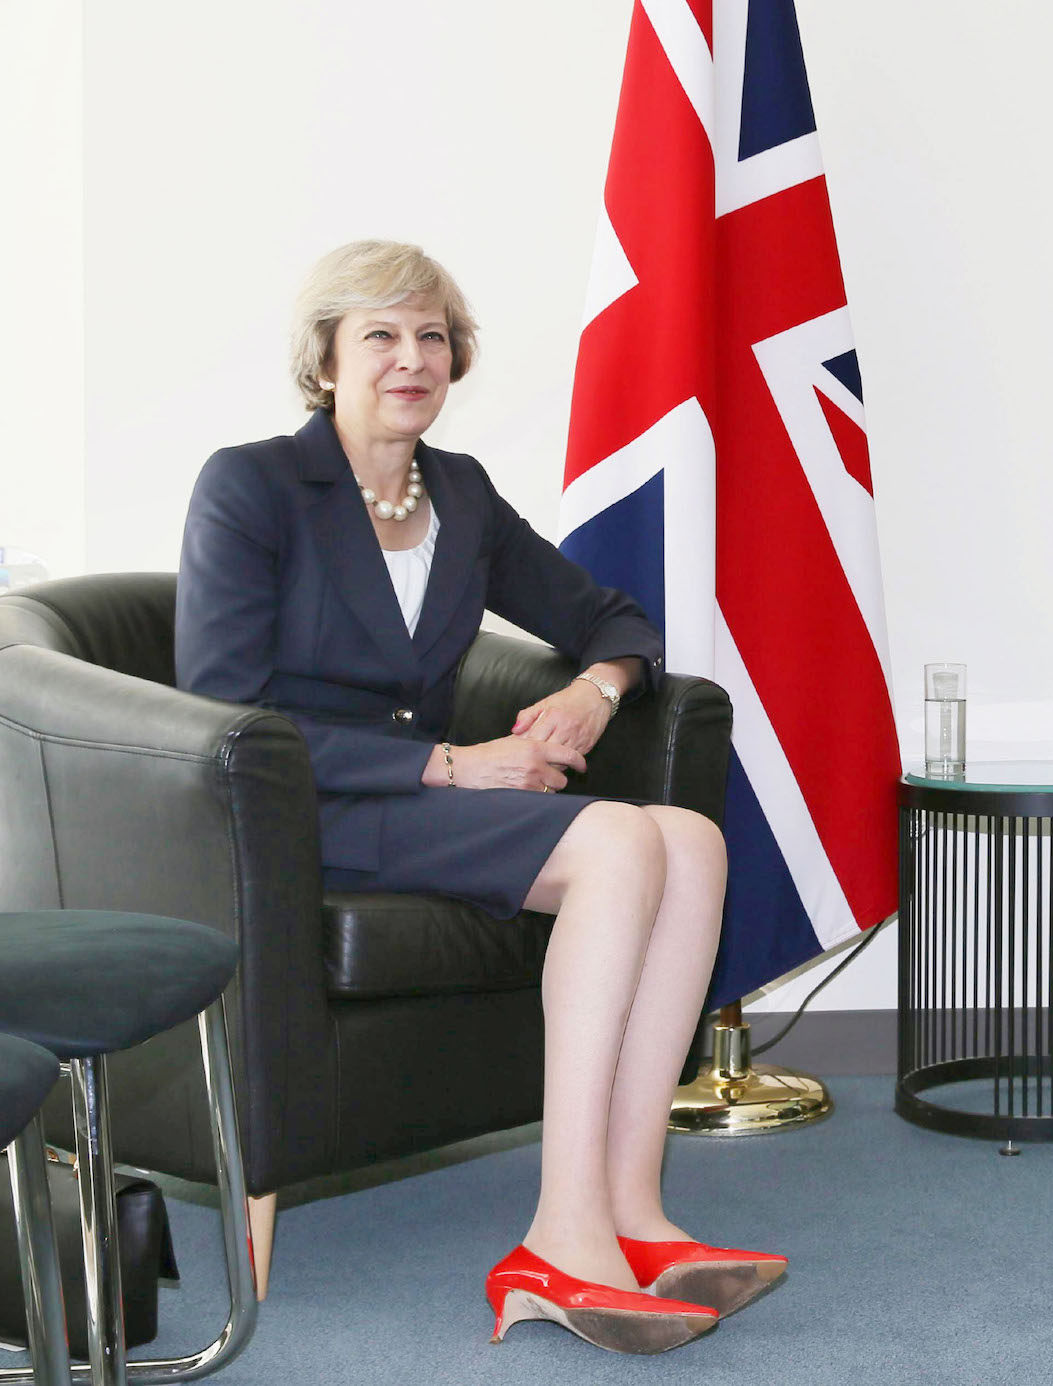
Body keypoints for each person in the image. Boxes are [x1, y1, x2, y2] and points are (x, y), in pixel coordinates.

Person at [177, 241, 783, 1354]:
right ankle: (559, 1233)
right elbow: (225, 713)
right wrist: (452, 767)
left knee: (688, 840)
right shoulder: (253, 485)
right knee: (615, 845)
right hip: (304, 812)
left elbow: (612, 618)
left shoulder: (455, 491)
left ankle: (631, 1209)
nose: (412, 359)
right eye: (381, 336)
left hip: (422, 802)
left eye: (432, 337)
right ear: (324, 360)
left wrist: (595, 696)